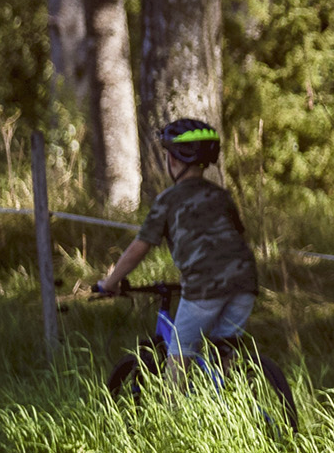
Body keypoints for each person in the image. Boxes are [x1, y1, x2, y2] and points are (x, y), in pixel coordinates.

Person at [88, 116, 265, 374]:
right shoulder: (221, 196)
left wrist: (111, 282)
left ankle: (174, 412)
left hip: (204, 288)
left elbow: (140, 246)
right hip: (245, 283)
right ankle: (235, 403)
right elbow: (235, 237)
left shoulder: (167, 200)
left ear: (172, 160)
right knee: (223, 355)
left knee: (178, 363)